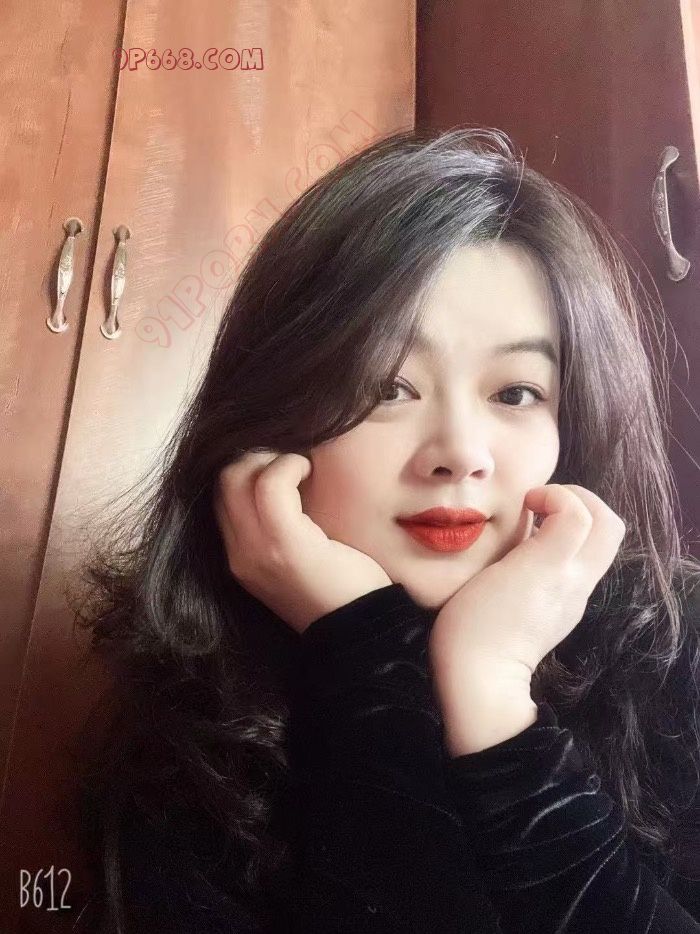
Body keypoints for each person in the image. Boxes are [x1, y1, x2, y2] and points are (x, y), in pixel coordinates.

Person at [73, 127, 700, 932]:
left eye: (515, 393)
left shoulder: (676, 648)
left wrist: (490, 691)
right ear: (274, 420)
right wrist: (365, 653)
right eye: (385, 388)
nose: (460, 454)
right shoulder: (184, 722)